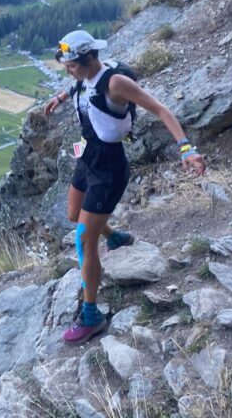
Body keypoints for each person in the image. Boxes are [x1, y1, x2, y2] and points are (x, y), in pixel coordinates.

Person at [44, 28, 206, 344]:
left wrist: (186, 148)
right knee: (73, 214)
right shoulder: (83, 74)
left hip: (109, 167)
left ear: (89, 58)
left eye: (71, 65)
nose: (68, 70)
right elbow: (80, 84)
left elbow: (160, 109)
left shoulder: (116, 83)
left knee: (84, 242)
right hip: (88, 155)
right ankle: (114, 235)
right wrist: (61, 96)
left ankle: (91, 315)